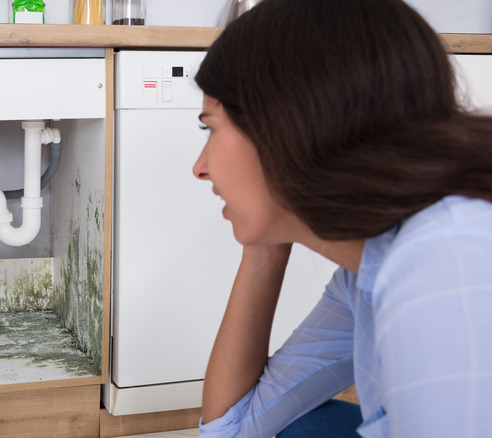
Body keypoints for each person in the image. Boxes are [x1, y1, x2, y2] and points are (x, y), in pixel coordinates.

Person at [191, 0, 492, 436]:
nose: (200, 167)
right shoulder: (364, 271)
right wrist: (265, 238)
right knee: (300, 426)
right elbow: (233, 428)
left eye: (211, 128)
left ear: (286, 125)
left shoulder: (447, 259)